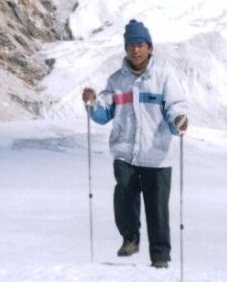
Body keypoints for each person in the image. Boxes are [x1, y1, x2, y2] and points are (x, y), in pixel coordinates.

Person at [82, 19, 188, 269]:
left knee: (157, 208)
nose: (135, 50)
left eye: (140, 45)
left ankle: (160, 256)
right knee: (124, 194)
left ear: (150, 48)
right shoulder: (117, 81)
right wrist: (93, 103)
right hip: (125, 152)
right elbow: (104, 113)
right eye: (131, 45)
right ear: (125, 49)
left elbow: (176, 106)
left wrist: (178, 120)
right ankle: (130, 238)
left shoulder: (163, 77)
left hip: (157, 154)